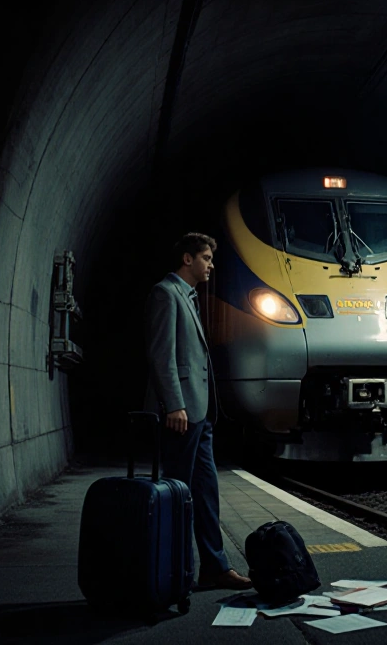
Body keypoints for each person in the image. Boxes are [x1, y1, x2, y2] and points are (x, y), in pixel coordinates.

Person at [144, 232, 252, 591]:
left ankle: (216, 567)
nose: (211, 265)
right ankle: (176, 571)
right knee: (179, 493)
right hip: (182, 412)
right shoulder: (166, 293)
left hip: (201, 415)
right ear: (187, 259)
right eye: (206, 258)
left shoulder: (188, 297)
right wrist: (174, 404)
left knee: (206, 494)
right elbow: (162, 355)